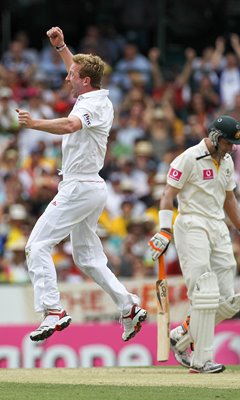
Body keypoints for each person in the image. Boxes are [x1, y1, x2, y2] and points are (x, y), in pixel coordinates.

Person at [16, 26, 147, 343]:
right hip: (88, 187)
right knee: (88, 258)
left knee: (37, 246)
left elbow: (70, 124)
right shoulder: (96, 95)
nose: (66, 78)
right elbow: (78, 69)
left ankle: (52, 310)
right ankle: (127, 305)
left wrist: (34, 124)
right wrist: (62, 49)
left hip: (79, 187)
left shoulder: (90, 106)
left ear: (85, 81)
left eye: (71, 74)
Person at [148, 115, 240, 373]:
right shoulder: (189, 157)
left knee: (226, 299)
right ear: (215, 137)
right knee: (204, 291)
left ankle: (182, 335)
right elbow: (168, 194)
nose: (232, 147)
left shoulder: (228, 161)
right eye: (229, 142)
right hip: (192, 224)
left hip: (218, 227)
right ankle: (201, 360)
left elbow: (229, 198)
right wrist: (164, 229)